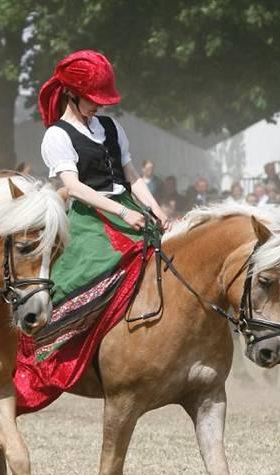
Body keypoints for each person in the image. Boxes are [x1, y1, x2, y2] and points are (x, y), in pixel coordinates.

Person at [38, 49, 169, 309]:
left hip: (130, 209)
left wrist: (156, 209)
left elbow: (132, 175)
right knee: (95, 274)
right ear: (71, 94)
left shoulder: (111, 126)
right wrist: (122, 212)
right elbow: (74, 188)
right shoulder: (57, 135)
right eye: (92, 98)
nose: (99, 105)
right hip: (90, 218)